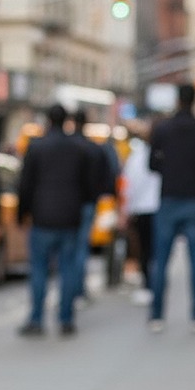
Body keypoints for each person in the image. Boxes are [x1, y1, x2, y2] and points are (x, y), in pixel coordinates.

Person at [17, 102, 96, 338]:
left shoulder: (36, 147)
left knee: (39, 270)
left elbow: (25, 184)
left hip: (42, 217)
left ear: (48, 121)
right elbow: (88, 186)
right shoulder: (79, 148)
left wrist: (23, 214)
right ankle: (66, 319)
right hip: (70, 217)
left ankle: (36, 319)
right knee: (68, 269)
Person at [148, 83, 195, 332]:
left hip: (169, 200)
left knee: (161, 261)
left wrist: (169, 168)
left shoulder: (164, 129)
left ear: (177, 99)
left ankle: (156, 316)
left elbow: (152, 163)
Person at [70, 108, 117, 304]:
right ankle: (78, 291)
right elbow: (109, 176)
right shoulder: (94, 148)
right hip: (88, 203)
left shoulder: (70, 147)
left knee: (70, 251)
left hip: (69, 204)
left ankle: (72, 291)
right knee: (80, 248)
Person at [120, 119, 161, 305]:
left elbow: (129, 187)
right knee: (154, 250)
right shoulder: (161, 155)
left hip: (143, 209)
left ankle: (149, 285)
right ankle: (155, 284)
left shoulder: (136, 158)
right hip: (158, 209)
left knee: (145, 250)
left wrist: (126, 210)